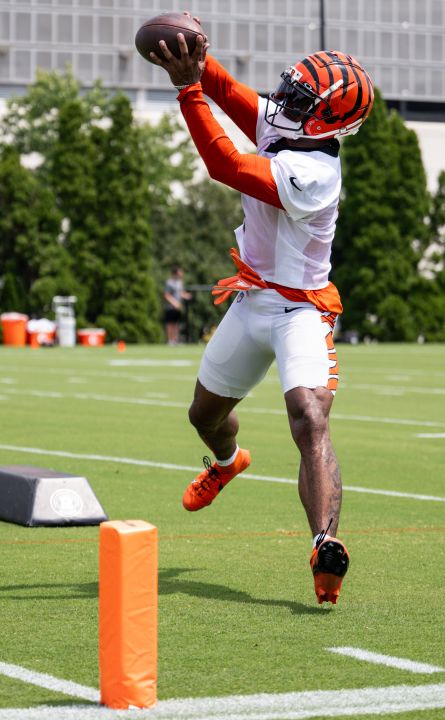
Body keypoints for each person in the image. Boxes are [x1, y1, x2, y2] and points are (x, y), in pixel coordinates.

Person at [149, 17, 374, 604]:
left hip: (301, 308)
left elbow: (225, 164)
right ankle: (226, 462)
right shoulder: (290, 121)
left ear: (329, 119)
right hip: (252, 299)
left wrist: (184, 88)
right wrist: (198, 59)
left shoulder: (316, 173)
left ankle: (325, 543)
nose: (288, 99)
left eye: (303, 96)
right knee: (203, 415)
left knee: (309, 417)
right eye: (294, 86)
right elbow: (228, 92)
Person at [163, 266, 192, 344]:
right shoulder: (169, 282)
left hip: (178, 307)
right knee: (170, 324)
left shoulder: (180, 283)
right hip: (170, 307)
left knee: (176, 324)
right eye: (180, 272)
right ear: (175, 273)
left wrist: (186, 295)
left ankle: (175, 340)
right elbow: (166, 295)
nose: (181, 273)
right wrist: (174, 303)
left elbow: (180, 293)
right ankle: (170, 341)